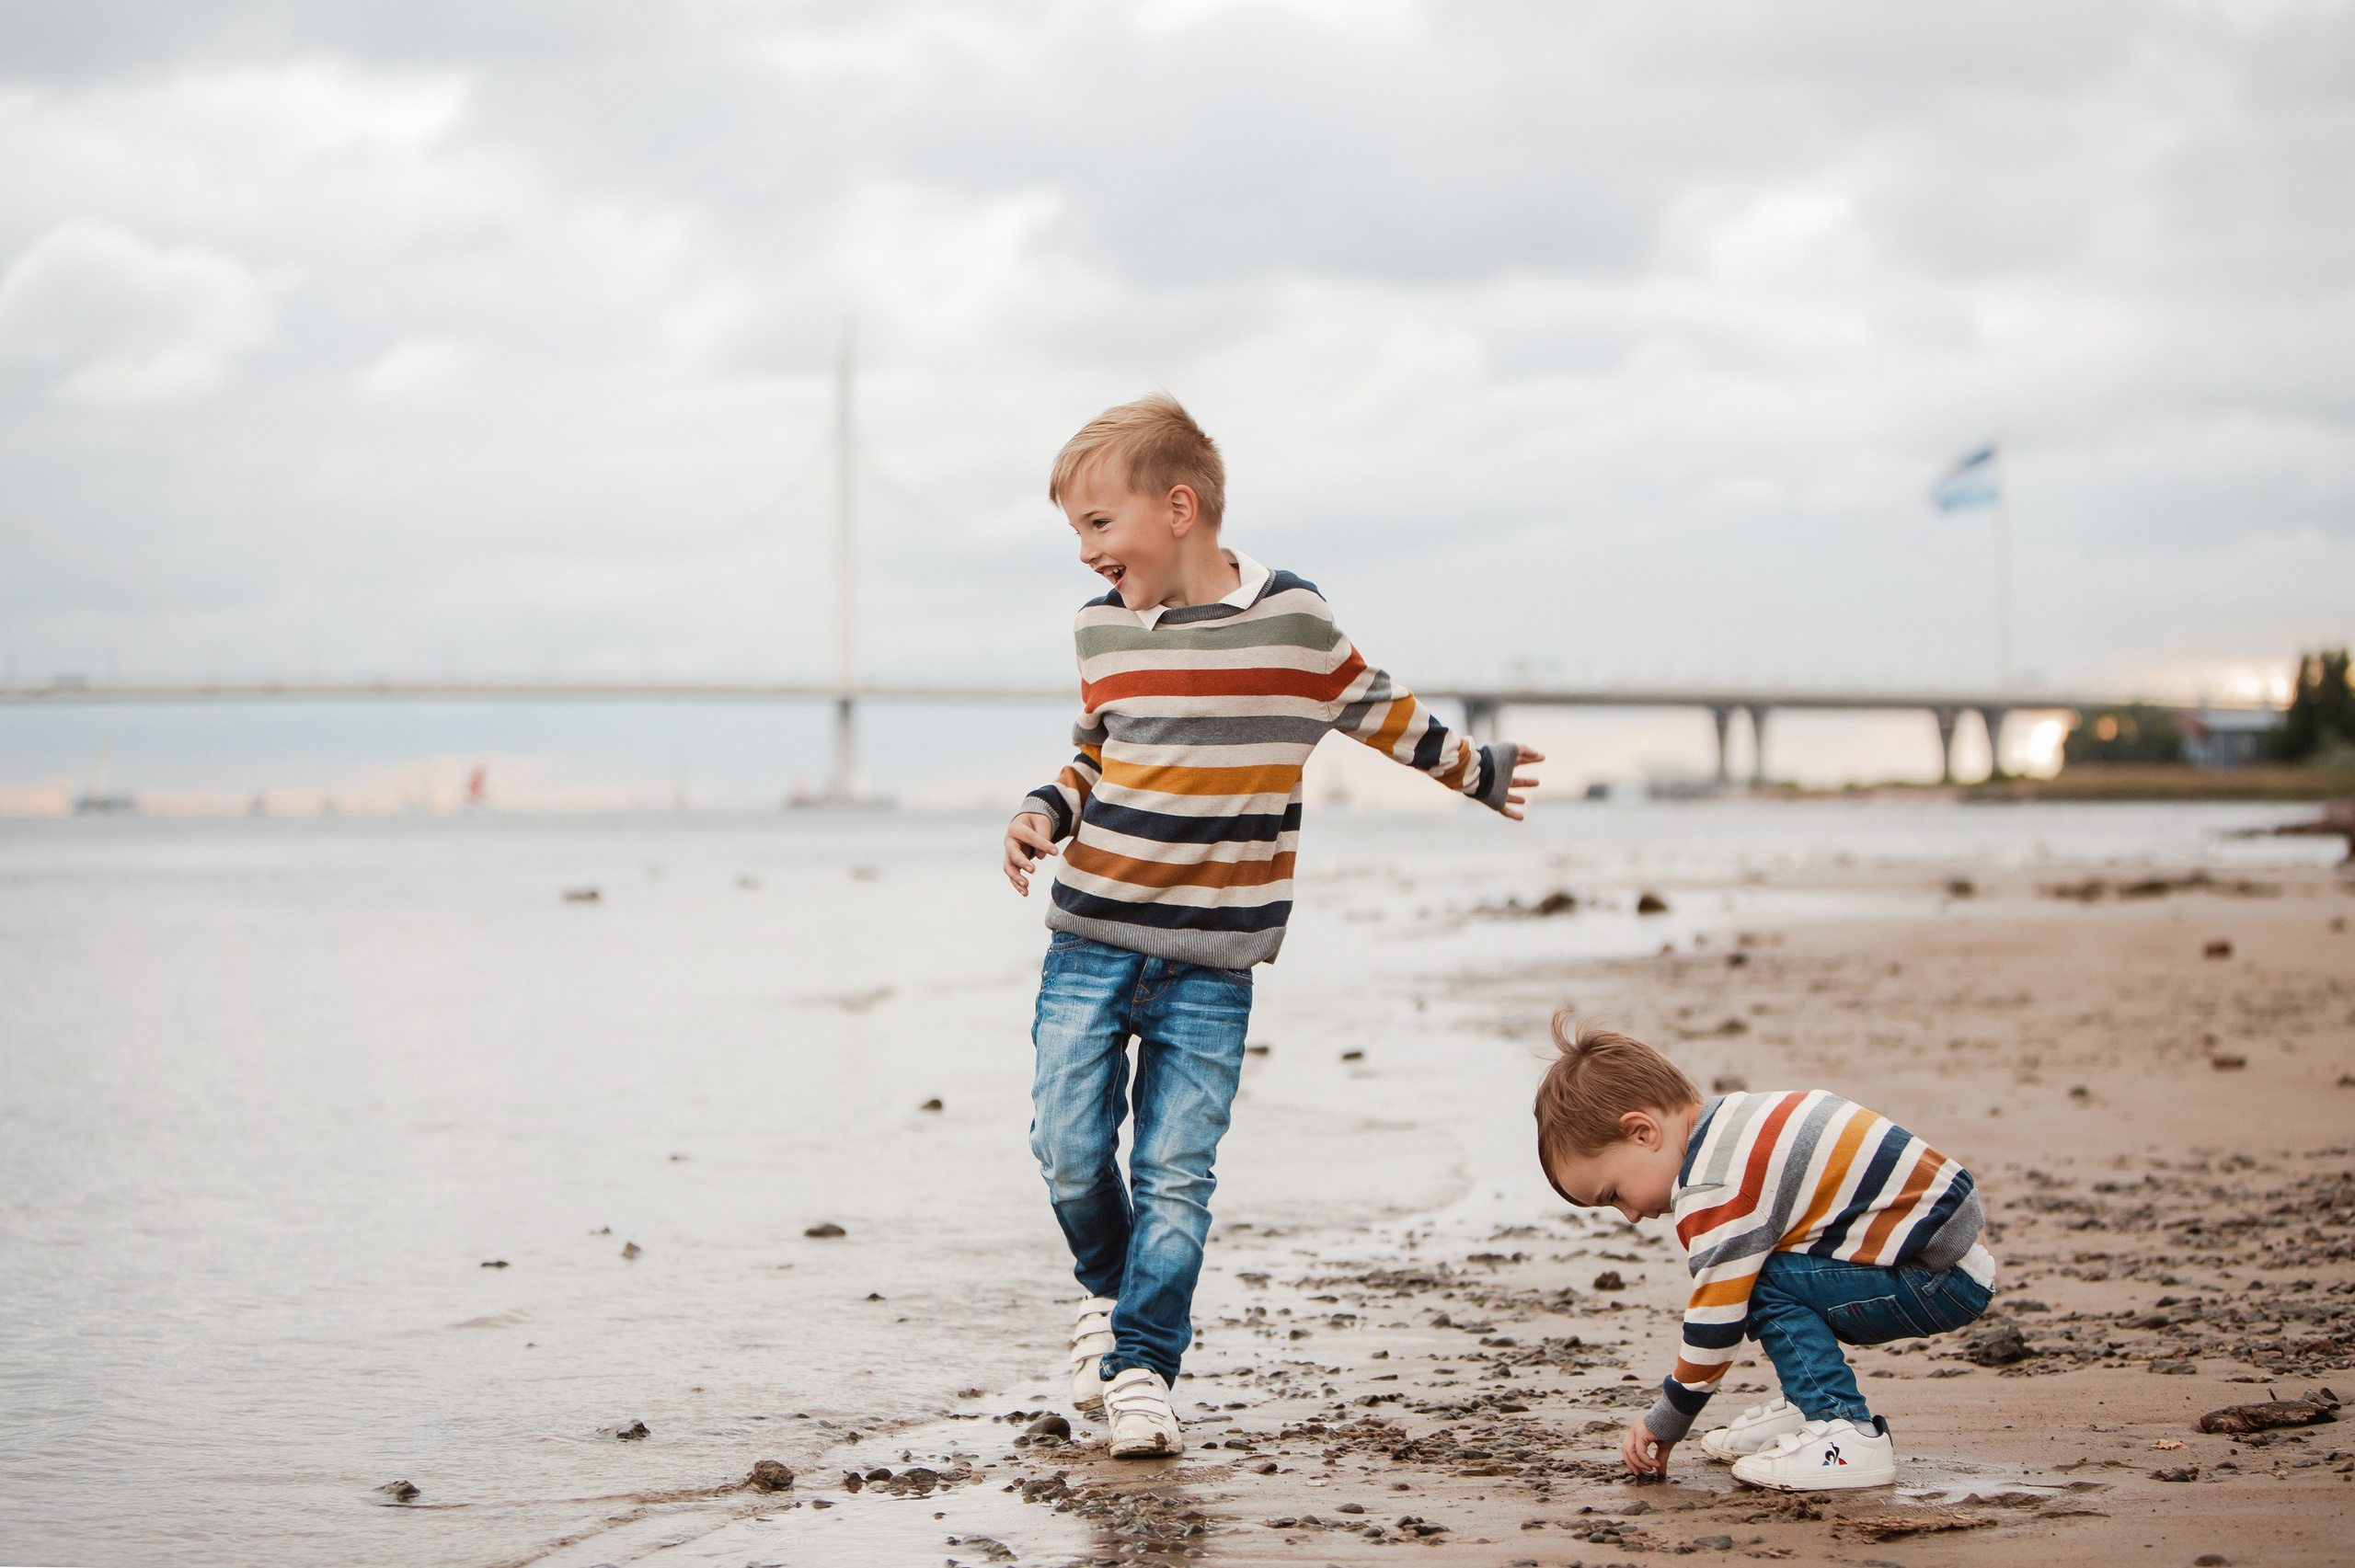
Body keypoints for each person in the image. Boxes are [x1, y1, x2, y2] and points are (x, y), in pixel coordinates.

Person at [1003, 394, 1544, 1458]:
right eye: (1073, 533)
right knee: (1065, 1148)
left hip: (1212, 963)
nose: (1083, 554)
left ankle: (1145, 1366)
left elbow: (1377, 705)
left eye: (1097, 527)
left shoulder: (1293, 624)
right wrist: (1041, 810)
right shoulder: (1099, 630)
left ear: (1178, 507)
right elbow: (1094, 752)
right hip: (1090, 938)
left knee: (1174, 1170)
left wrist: (1475, 768)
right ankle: (1106, 1296)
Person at [1533, 1012, 1996, 1491]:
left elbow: (1716, 1321)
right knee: (1763, 1264)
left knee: (1755, 1282)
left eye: (1613, 1194)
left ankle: (1843, 1430)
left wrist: (1668, 1418)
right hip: (1948, 1253)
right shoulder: (1737, 1120)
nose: (1629, 1215)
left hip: (1937, 1278)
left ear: (1642, 1132)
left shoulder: (1714, 1185)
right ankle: (1807, 1401)